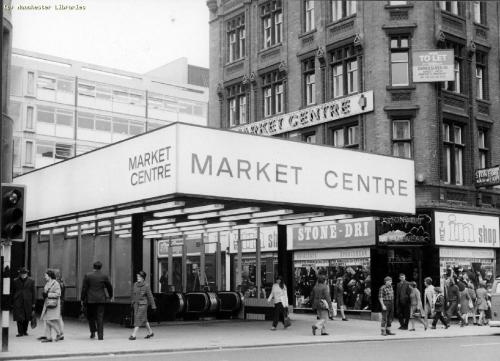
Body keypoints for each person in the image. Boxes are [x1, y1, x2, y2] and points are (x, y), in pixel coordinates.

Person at [81, 261, 113, 340]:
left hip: (90, 299)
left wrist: (82, 298)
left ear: (93, 267)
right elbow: (109, 287)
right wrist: (111, 296)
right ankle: (100, 336)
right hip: (101, 299)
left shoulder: (88, 276)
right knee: (100, 317)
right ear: (100, 267)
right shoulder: (104, 276)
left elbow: (84, 288)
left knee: (91, 316)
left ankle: (92, 332)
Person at [129, 271, 156, 340]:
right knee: (144, 319)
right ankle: (150, 332)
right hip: (136, 304)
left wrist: (153, 306)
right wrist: (132, 302)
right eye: (137, 276)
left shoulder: (146, 286)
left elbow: (150, 296)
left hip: (143, 305)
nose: (138, 278)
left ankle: (133, 335)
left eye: (139, 277)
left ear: (143, 278)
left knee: (138, 318)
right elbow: (133, 294)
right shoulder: (135, 284)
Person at [40, 270, 63, 342]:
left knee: (49, 321)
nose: (44, 277)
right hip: (48, 304)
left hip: (53, 305)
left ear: (49, 276)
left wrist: (48, 295)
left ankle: (59, 333)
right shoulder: (47, 283)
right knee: (46, 320)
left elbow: (58, 294)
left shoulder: (56, 283)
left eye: (45, 275)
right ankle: (49, 337)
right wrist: (44, 294)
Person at [12, 267, 36, 337]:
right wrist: (12, 301)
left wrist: (34, 302)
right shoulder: (15, 280)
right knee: (18, 317)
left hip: (28, 301)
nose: (23, 275)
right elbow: (13, 291)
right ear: (20, 274)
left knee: (27, 317)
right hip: (18, 300)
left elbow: (33, 292)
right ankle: (20, 332)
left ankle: (25, 331)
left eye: (24, 273)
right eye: (22, 273)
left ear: (27, 273)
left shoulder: (31, 281)